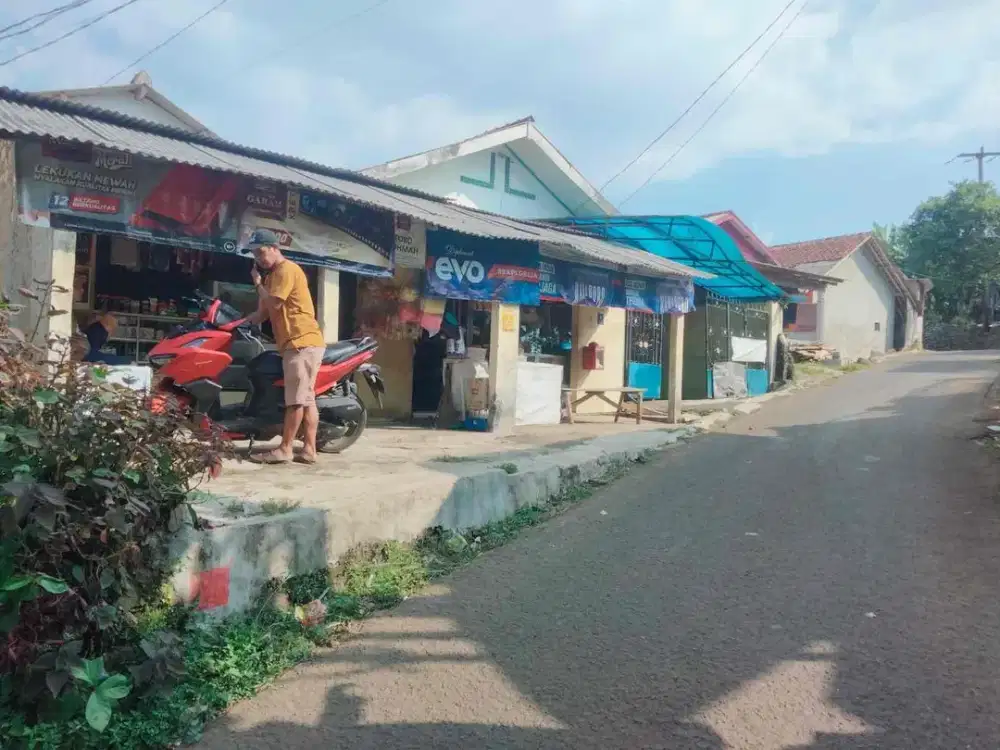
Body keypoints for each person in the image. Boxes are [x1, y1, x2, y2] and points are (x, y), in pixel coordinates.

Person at [244, 229, 326, 464]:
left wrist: (258, 285)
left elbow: (276, 305)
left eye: (261, 252)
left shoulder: (286, 270)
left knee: (296, 400)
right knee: (307, 399)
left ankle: (285, 449)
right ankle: (309, 450)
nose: (259, 259)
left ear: (274, 248)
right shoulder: (272, 277)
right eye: (255, 255)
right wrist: (234, 322)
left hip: (301, 342)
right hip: (297, 343)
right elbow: (262, 313)